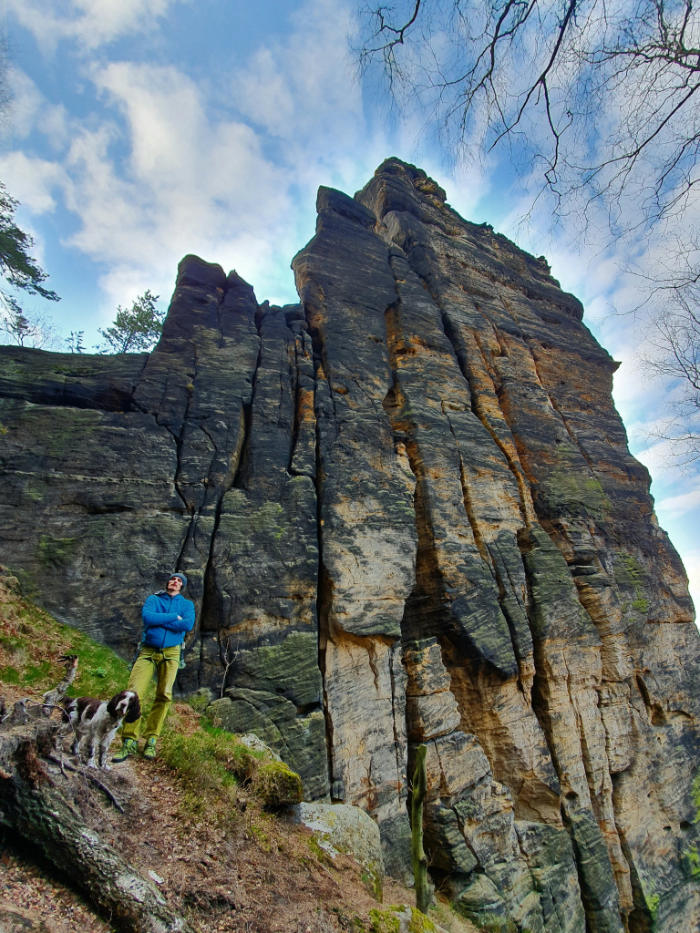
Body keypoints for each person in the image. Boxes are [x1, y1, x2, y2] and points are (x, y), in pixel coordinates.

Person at [113, 572, 195, 762]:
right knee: (133, 694)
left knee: (164, 695)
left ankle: (151, 739)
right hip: (148, 651)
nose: (175, 581)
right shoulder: (154, 599)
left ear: (182, 586)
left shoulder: (187, 605)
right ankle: (129, 740)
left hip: (172, 653)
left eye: (179, 581)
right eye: (173, 579)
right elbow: (148, 618)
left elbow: (188, 624)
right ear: (168, 582)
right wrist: (174, 617)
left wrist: (162, 620)